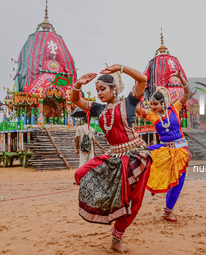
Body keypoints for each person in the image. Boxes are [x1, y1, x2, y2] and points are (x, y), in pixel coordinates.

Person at [71, 64, 152, 254]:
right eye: (97, 90)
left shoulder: (129, 102)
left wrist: (122, 67)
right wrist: (78, 84)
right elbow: (76, 100)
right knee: (80, 173)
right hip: (114, 155)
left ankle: (117, 237)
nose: (99, 93)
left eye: (102, 89)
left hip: (135, 156)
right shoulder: (98, 108)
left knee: (133, 201)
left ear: (113, 88)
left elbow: (142, 80)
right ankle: (108, 208)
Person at [136, 69, 191, 222]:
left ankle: (168, 212)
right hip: (164, 150)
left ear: (163, 103)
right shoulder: (152, 116)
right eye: (151, 104)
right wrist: (136, 92)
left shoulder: (175, 108)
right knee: (141, 159)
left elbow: (186, 94)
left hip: (180, 151)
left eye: (155, 104)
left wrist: (180, 77)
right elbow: (134, 107)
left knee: (178, 182)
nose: (152, 107)